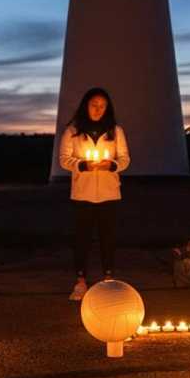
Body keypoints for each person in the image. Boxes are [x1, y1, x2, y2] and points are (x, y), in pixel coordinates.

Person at [58, 87, 131, 300]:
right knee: (82, 239)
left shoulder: (116, 131)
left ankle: (108, 279)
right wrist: (83, 165)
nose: (98, 110)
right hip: (83, 194)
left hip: (109, 194)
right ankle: (80, 281)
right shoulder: (72, 131)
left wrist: (112, 165)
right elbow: (64, 159)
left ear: (107, 108)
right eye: (94, 105)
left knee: (108, 239)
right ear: (85, 106)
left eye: (102, 106)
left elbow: (125, 159)